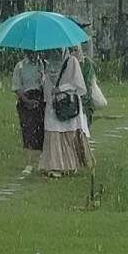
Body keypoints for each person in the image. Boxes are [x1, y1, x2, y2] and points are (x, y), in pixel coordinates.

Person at [37, 48, 93, 177]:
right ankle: (55, 165)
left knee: (69, 134)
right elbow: (46, 86)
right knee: (53, 133)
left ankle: (70, 164)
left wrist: (61, 89)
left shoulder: (72, 62)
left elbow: (79, 85)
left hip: (68, 104)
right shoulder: (46, 64)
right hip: (53, 104)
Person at [11, 51, 45, 173]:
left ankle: (40, 160)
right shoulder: (20, 66)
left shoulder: (42, 65)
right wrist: (26, 101)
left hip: (40, 98)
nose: (33, 54)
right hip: (25, 98)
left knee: (41, 130)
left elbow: (44, 84)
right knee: (28, 130)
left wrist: (42, 76)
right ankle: (29, 163)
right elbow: (16, 87)